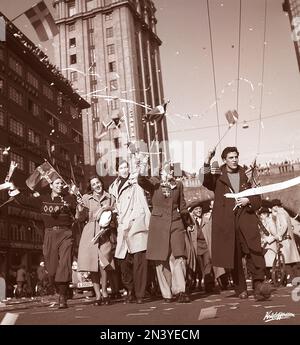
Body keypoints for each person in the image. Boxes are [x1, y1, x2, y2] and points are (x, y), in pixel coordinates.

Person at [202, 146, 271, 300]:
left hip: (246, 219)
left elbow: (258, 198)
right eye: (230, 158)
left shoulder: (247, 174)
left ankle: (258, 284)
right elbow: (206, 182)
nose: (234, 160)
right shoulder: (217, 174)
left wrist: (248, 200)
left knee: (254, 252)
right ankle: (241, 289)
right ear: (224, 160)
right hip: (227, 222)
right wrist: (207, 160)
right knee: (234, 255)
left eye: (236, 157)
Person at [15, 177, 76, 308]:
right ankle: (62, 289)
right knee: (52, 269)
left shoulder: (69, 198)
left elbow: (78, 213)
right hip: (49, 234)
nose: (60, 186)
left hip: (66, 233)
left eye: (61, 184)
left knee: (65, 264)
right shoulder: (43, 199)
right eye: (57, 183)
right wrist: (12, 188)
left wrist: (71, 204)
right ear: (51, 185)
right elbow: (24, 201)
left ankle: (62, 296)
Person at [138, 160, 193, 303]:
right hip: (158, 225)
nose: (170, 172)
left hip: (176, 223)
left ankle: (180, 291)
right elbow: (141, 181)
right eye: (167, 169)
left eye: (172, 170)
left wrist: (188, 223)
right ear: (161, 171)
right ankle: (167, 293)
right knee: (161, 260)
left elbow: (183, 206)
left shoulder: (178, 185)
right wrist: (143, 166)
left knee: (178, 256)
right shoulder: (154, 183)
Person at [109, 160, 150, 304]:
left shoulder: (135, 182)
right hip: (122, 226)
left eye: (126, 167)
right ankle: (130, 289)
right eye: (121, 167)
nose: (124, 169)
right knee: (123, 261)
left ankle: (139, 293)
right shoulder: (113, 187)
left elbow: (143, 178)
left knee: (140, 260)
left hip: (136, 223)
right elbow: (113, 205)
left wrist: (143, 163)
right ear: (117, 171)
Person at [76, 176, 115, 305]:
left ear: (101, 183)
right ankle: (98, 295)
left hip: (105, 232)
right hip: (90, 232)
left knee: (104, 263)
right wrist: (80, 207)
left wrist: (107, 209)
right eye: (93, 184)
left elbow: (116, 212)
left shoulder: (110, 197)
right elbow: (80, 218)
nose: (96, 185)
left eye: (98, 182)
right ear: (91, 187)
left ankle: (104, 291)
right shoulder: (86, 198)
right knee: (93, 265)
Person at [270, 199, 300, 284]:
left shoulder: (280, 213)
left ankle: (290, 280)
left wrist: (279, 235)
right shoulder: (285, 212)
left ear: (275, 206)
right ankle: (296, 279)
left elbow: (284, 226)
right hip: (290, 239)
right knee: (293, 262)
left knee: (286, 261)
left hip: (285, 240)